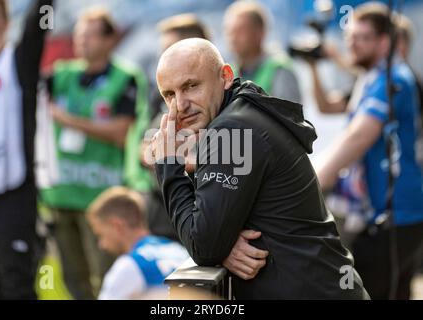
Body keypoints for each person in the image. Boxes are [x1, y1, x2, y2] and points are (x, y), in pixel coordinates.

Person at [150, 38, 369, 299]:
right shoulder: (246, 110)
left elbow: (203, 245)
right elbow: (217, 228)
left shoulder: (230, 130)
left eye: (191, 86)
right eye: (170, 95)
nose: (181, 105)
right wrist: (223, 241)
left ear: (226, 77)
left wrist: (167, 164)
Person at [40, 8, 150, 299]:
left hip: (102, 198)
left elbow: (120, 132)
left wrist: (66, 119)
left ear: (109, 39)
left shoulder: (125, 77)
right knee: (72, 280)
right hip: (62, 193)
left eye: (89, 35)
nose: (82, 41)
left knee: (107, 280)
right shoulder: (61, 75)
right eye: (79, 35)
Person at [315, 3, 423, 299]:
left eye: (362, 37)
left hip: (394, 212)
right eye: (350, 36)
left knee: (367, 291)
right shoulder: (372, 78)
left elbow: (358, 136)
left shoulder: (392, 79)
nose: (352, 43)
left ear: (384, 42)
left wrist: (313, 181)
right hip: (393, 212)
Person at [0, 0, 52, 300]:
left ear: (6, 23)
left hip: (11, 192)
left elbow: (42, 24)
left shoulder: (18, 62)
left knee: (16, 283)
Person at [142, 13, 211, 242]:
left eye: (172, 49)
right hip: (161, 208)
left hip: (200, 212)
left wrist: (170, 156)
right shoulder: (160, 93)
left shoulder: (214, 99)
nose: (165, 58)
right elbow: (145, 148)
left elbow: (226, 156)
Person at [87, 186, 189, 300]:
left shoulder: (129, 266)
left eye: (101, 235)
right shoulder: (180, 251)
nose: (102, 244)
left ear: (117, 225)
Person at [223, 0, 301, 103]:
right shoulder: (229, 72)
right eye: (230, 31)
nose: (233, 38)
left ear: (260, 32)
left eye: (240, 30)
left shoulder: (280, 69)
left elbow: (288, 116)